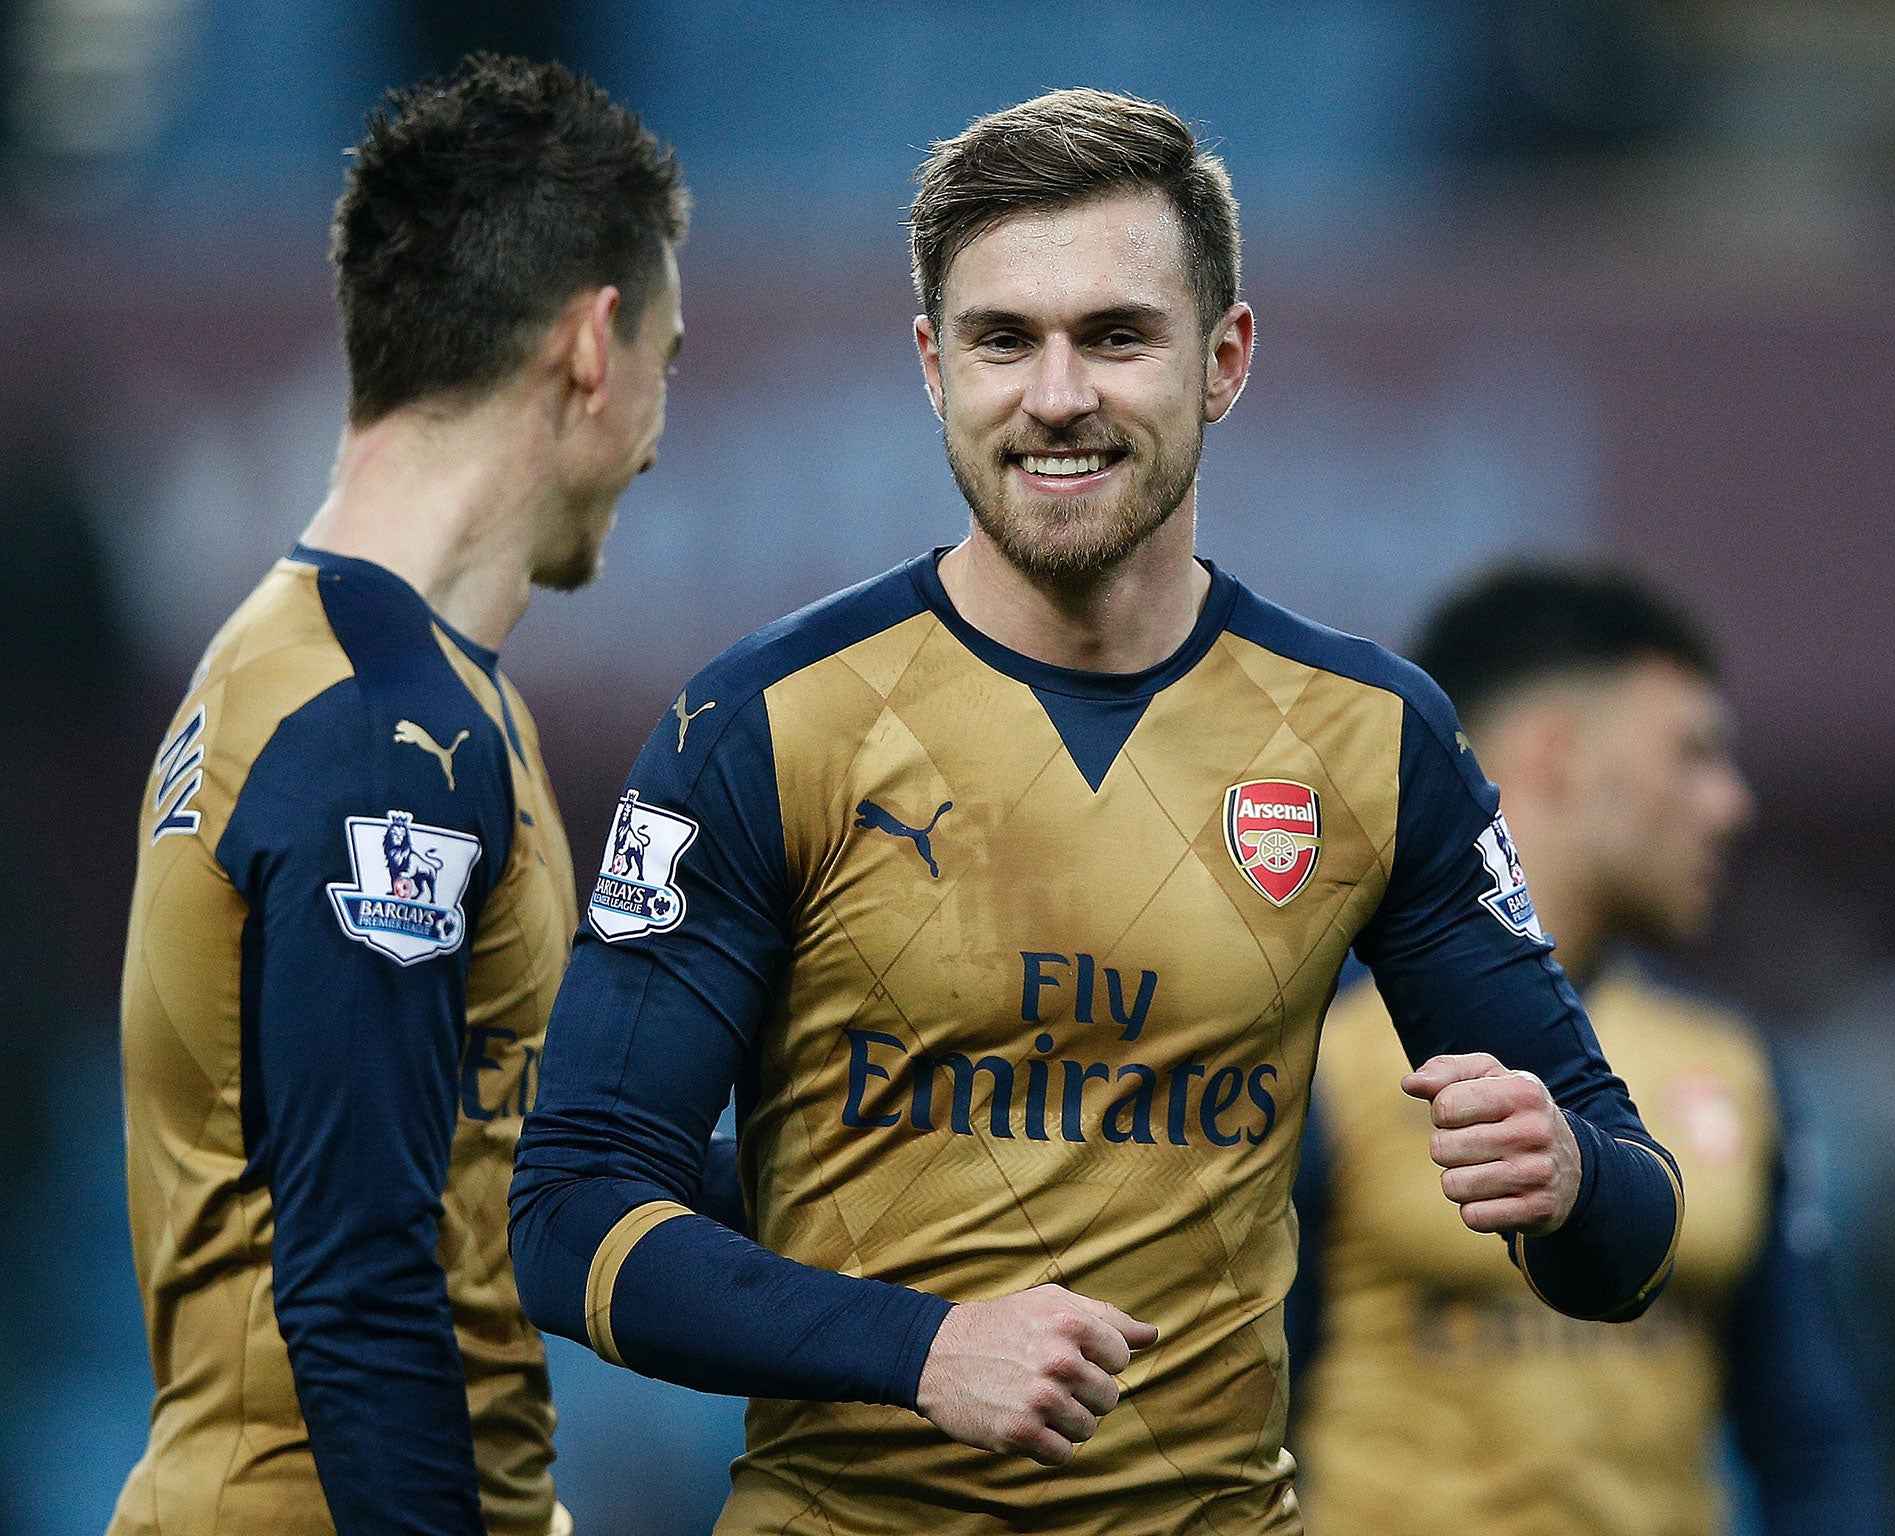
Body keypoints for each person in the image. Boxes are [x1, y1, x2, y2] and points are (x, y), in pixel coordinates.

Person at [509, 89, 1680, 1535]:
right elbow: (569, 1216)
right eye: (1005, 340)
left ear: (1225, 359)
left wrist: (1564, 1179)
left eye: (1117, 337)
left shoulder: (1376, 740)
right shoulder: (759, 726)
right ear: (934, 367)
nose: (1057, 395)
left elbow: (1630, 1233)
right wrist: (921, 1348)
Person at [112, 56, 686, 1536]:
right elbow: (362, 1285)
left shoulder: (334, 676)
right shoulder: (388, 739)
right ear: (591, 345)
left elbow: (478, 1154)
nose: (659, 432)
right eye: (669, 362)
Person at [1289, 567, 1886, 1535]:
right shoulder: (1327, 1056)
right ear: (1557, 755)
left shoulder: (1733, 1068)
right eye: (1690, 754)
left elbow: (1810, 1443)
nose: (1727, 804)